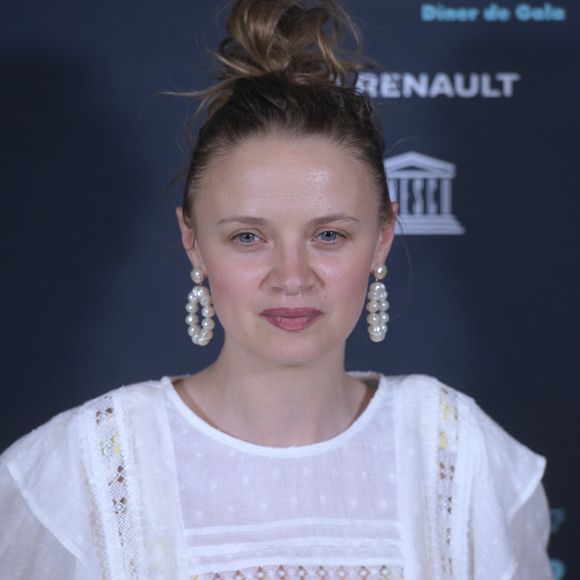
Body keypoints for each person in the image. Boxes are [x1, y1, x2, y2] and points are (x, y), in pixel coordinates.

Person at [0, 0, 551, 578]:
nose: (292, 276)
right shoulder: (76, 473)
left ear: (384, 236)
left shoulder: (461, 456)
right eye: (248, 238)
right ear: (193, 241)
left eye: (330, 235)